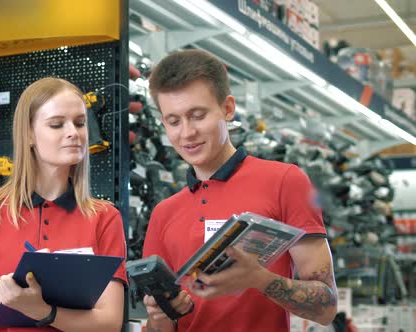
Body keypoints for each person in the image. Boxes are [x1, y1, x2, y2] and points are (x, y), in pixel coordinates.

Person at [141, 49, 338, 332]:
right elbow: (160, 326)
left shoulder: (286, 181)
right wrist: (159, 318)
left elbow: (327, 307)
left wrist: (259, 279)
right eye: (174, 121)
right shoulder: (164, 212)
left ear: (228, 108)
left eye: (197, 116)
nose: (186, 133)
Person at [0, 77, 127, 332]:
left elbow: (109, 324)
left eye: (80, 123)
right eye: (56, 124)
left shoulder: (105, 217)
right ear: (29, 134)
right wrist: (9, 293)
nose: (73, 133)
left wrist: (44, 311)